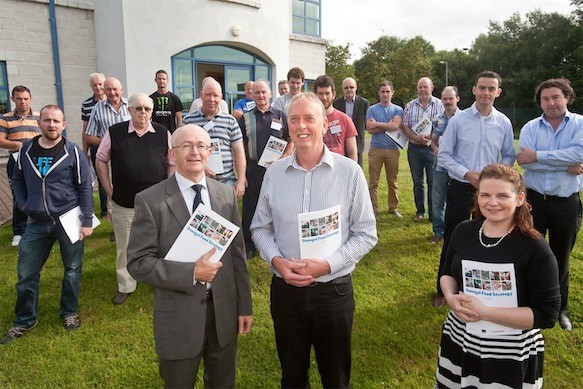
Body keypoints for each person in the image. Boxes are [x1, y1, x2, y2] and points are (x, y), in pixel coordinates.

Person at [251, 93, 377, 388]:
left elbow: (366, 233)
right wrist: (276, 261)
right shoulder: (274, 173)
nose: (301, 126)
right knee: (292, 376)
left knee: (336, 378)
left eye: (309, 118)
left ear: (324, 124)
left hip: (332, 292)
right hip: (286, 292)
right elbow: (260, 228)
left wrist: (328, 265)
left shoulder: (350, 173)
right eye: (294, 119)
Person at [127, 124, 252, 388]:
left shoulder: (225, 195)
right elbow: (138, 262)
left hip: (224, 314)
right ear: (172, 154)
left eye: (201, 146)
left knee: (222, 382)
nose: (194, 152)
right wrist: (191, 273)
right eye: (186, 146)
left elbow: (237, 256)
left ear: (210, 152)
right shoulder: (150, 200)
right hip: (178, 317)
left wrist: (244, 306)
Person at [436, 163, 560, 388]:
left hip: (509, 351)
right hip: (460, 338)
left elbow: (546, 315)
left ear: (520, 198)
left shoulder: (535, 249)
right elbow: (446, 273)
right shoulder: (463, 231)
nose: (492, 202)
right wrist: (450, 297)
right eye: (485, 195)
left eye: (502, 195)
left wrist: (485, 312)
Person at [0, 105, 93, 344]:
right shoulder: (27, 150)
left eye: (56, 121)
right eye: (47, 120)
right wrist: (23, 204)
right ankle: (24, 319)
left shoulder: (72, 152)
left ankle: (69, 312)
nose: (52, 124)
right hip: (36, 223)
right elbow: (17, 179)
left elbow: (84, 188)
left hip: (68, 221)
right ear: (39, 123)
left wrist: (86, 220)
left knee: (72, 270)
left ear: (64, 125)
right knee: (26, 274)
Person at [435, 71, 516, 307]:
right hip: (462, 188)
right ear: (473, 90)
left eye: (492, 89)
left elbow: (509, 154)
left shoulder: (503, 122)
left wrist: (497, 174)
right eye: (482, 88)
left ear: (498, 92)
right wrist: (467, 174)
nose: (486, 93)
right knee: (453, 238)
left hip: (491, 194)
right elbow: (445, 156)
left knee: (489, 238)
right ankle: (442, 289)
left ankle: (482, 289)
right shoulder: (459, 121)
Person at [517, 78, 583, 331]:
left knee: (560, 257)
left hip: (566, 204)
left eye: (556, 97)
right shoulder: (531, 127)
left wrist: (539, 156)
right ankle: (526, 303)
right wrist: (565, 165)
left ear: (567, 97)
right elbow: (524, 162)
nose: (551, 102)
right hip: (533, 203)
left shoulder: (579, 124)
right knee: (528, 253)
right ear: (540, 103)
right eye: (545, 99)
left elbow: (579, 154)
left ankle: (559, 309)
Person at [95, 93, 173, 305]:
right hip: (124, 202)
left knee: (161, 243)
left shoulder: (163, 132)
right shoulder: (116, 132)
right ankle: (126, 285)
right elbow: (100, 159)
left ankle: (159, 280)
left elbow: (172, 162)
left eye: (147, 109)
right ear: (128, 110)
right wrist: (108, 189)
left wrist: (169, 188)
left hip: (157, 203)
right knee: (125, 246)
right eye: (138, 108)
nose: (143, 113)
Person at [238, 80, 292, 260]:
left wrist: (285, 157)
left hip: (277, 169)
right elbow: (239, 146)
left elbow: (290, 139)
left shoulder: (281, 115)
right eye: (257, 92)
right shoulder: (245, 118)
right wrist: (242, 174)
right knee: (251, 207)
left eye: (264, 92)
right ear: (251, 95)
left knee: (277, 204)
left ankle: (277, 240)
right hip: (253, 168)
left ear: (270, 94)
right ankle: (249, 243)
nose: (261, 96)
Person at [183, 78, 247, 197]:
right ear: (201, 95)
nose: (211, 99)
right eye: (208, 95)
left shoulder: (230, 121)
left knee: (225, 215)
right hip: (197, 182)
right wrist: (201, 168)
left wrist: (241, 180)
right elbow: (182, 151)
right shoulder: (188, 121)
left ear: (221, 97)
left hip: (226, 182)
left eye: (215, 95)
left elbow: (239, 152)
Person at [0, 86, 41, 246]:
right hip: (16, 160)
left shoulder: (39, 116)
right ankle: (19, 231)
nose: (23, 102)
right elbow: (1, 140)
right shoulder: (5, 118)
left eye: (25, 98)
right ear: (13, 99)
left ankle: (40, 225)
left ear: (30, 98)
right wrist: (18, 145)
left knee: (39, 191)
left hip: (37, 159)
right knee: (19, 194)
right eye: (19, 99)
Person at [402, 77, 444, 223]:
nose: (423, 90)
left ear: (432, 87)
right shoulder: (409, 105)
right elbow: (405, 126)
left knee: (433, 182)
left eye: (425, 87)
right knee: (417, 182)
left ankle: (434, 214)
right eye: (420, 87)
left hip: (432, 149)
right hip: (414, 148)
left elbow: (443, 126)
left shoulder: (440, 105)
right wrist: (415, 137)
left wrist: (431, 137)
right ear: (417, 88)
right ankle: (420, 212)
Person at [365, 80, 404, 217]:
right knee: (373, 182)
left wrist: (378, 124)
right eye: (383, 92)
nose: (385, 94)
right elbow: (370, 130)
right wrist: (387, 125)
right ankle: (373, 209)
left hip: (392, 149)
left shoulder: (398, 109)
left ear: (392, 93)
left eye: (388, 91)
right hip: (376, 149)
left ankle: (393, 208)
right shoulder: (372, 109)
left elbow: (395, 126)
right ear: (379, 93)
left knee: (392, 181)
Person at [429, 86, 460, 246]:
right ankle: (438, 231)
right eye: (445, 99)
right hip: (440, 167)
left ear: (457, 99)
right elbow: (433, 140)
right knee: (437, 200)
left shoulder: (464, 118)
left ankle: (455, 231)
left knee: (456, 201)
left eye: (451, 98)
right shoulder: (437, 118)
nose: (448, 102)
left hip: (458, 168)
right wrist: (435, 149)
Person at [81, 72, 108, 219]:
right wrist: (84, 153)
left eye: (100, 84)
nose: (98, 87)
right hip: (96, 144)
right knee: (101, 176)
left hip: (116, 145)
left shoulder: (113, 101)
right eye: (94, 85)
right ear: (91, 86)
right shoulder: (86, 105)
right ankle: (104, 211)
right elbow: (85, 130)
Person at [314, 75, 357, 161]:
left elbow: (352, 153)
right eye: (320, 94)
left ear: (333, 95)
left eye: (327, 93)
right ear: (315, 95)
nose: (324, 97)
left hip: (338, 167)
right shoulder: (308, 120)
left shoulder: (345, 120)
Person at [333, 77, 370, 166]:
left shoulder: (364, 103)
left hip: (357, 144)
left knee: (356, 170)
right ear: (342, 89)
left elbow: (367, 123)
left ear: (356, 87)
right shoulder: (336, 103)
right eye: (346, 88)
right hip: (340, 143)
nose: (349, 90)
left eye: (351, 87)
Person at [150, 69, 183, 133]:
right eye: (159, 79)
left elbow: (179, 118)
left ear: (167, 80)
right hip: (155, 133)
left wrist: (178, 132)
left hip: (171, 133)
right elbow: (148, 117)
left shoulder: (174, 98)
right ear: (155, 80)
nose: (161, 81)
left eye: (163, 79)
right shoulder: (150, 99)